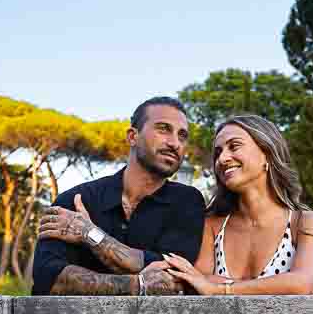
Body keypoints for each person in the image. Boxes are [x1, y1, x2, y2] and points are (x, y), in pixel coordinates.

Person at [32, 96, 204, 295]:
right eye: (163, 129)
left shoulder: (187, 202)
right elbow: (48, 280)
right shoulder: (75, 201)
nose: (175, 143)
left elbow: (172, 277)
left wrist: (90, 234)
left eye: (182, 135)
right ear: (132, 136)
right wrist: (137, 285)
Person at [164, 114, 313, 295]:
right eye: (218, 152)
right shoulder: (212, 225)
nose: (222, 159)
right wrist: (283, 285)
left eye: (234, 146)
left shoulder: (306, 222)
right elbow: (197, 283)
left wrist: (218, 288)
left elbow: (300, 283)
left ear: (267, 154)